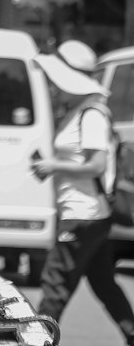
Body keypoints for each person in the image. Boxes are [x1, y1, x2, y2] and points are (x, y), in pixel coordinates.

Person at [32, 39, 134, 342]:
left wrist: (54, 166)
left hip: (83, 213)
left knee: (55, 285)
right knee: (104, 283)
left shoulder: (91, 115)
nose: (52, 86)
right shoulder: (80, 111)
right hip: (89, 214)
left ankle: (37, 339)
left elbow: (96, 165)